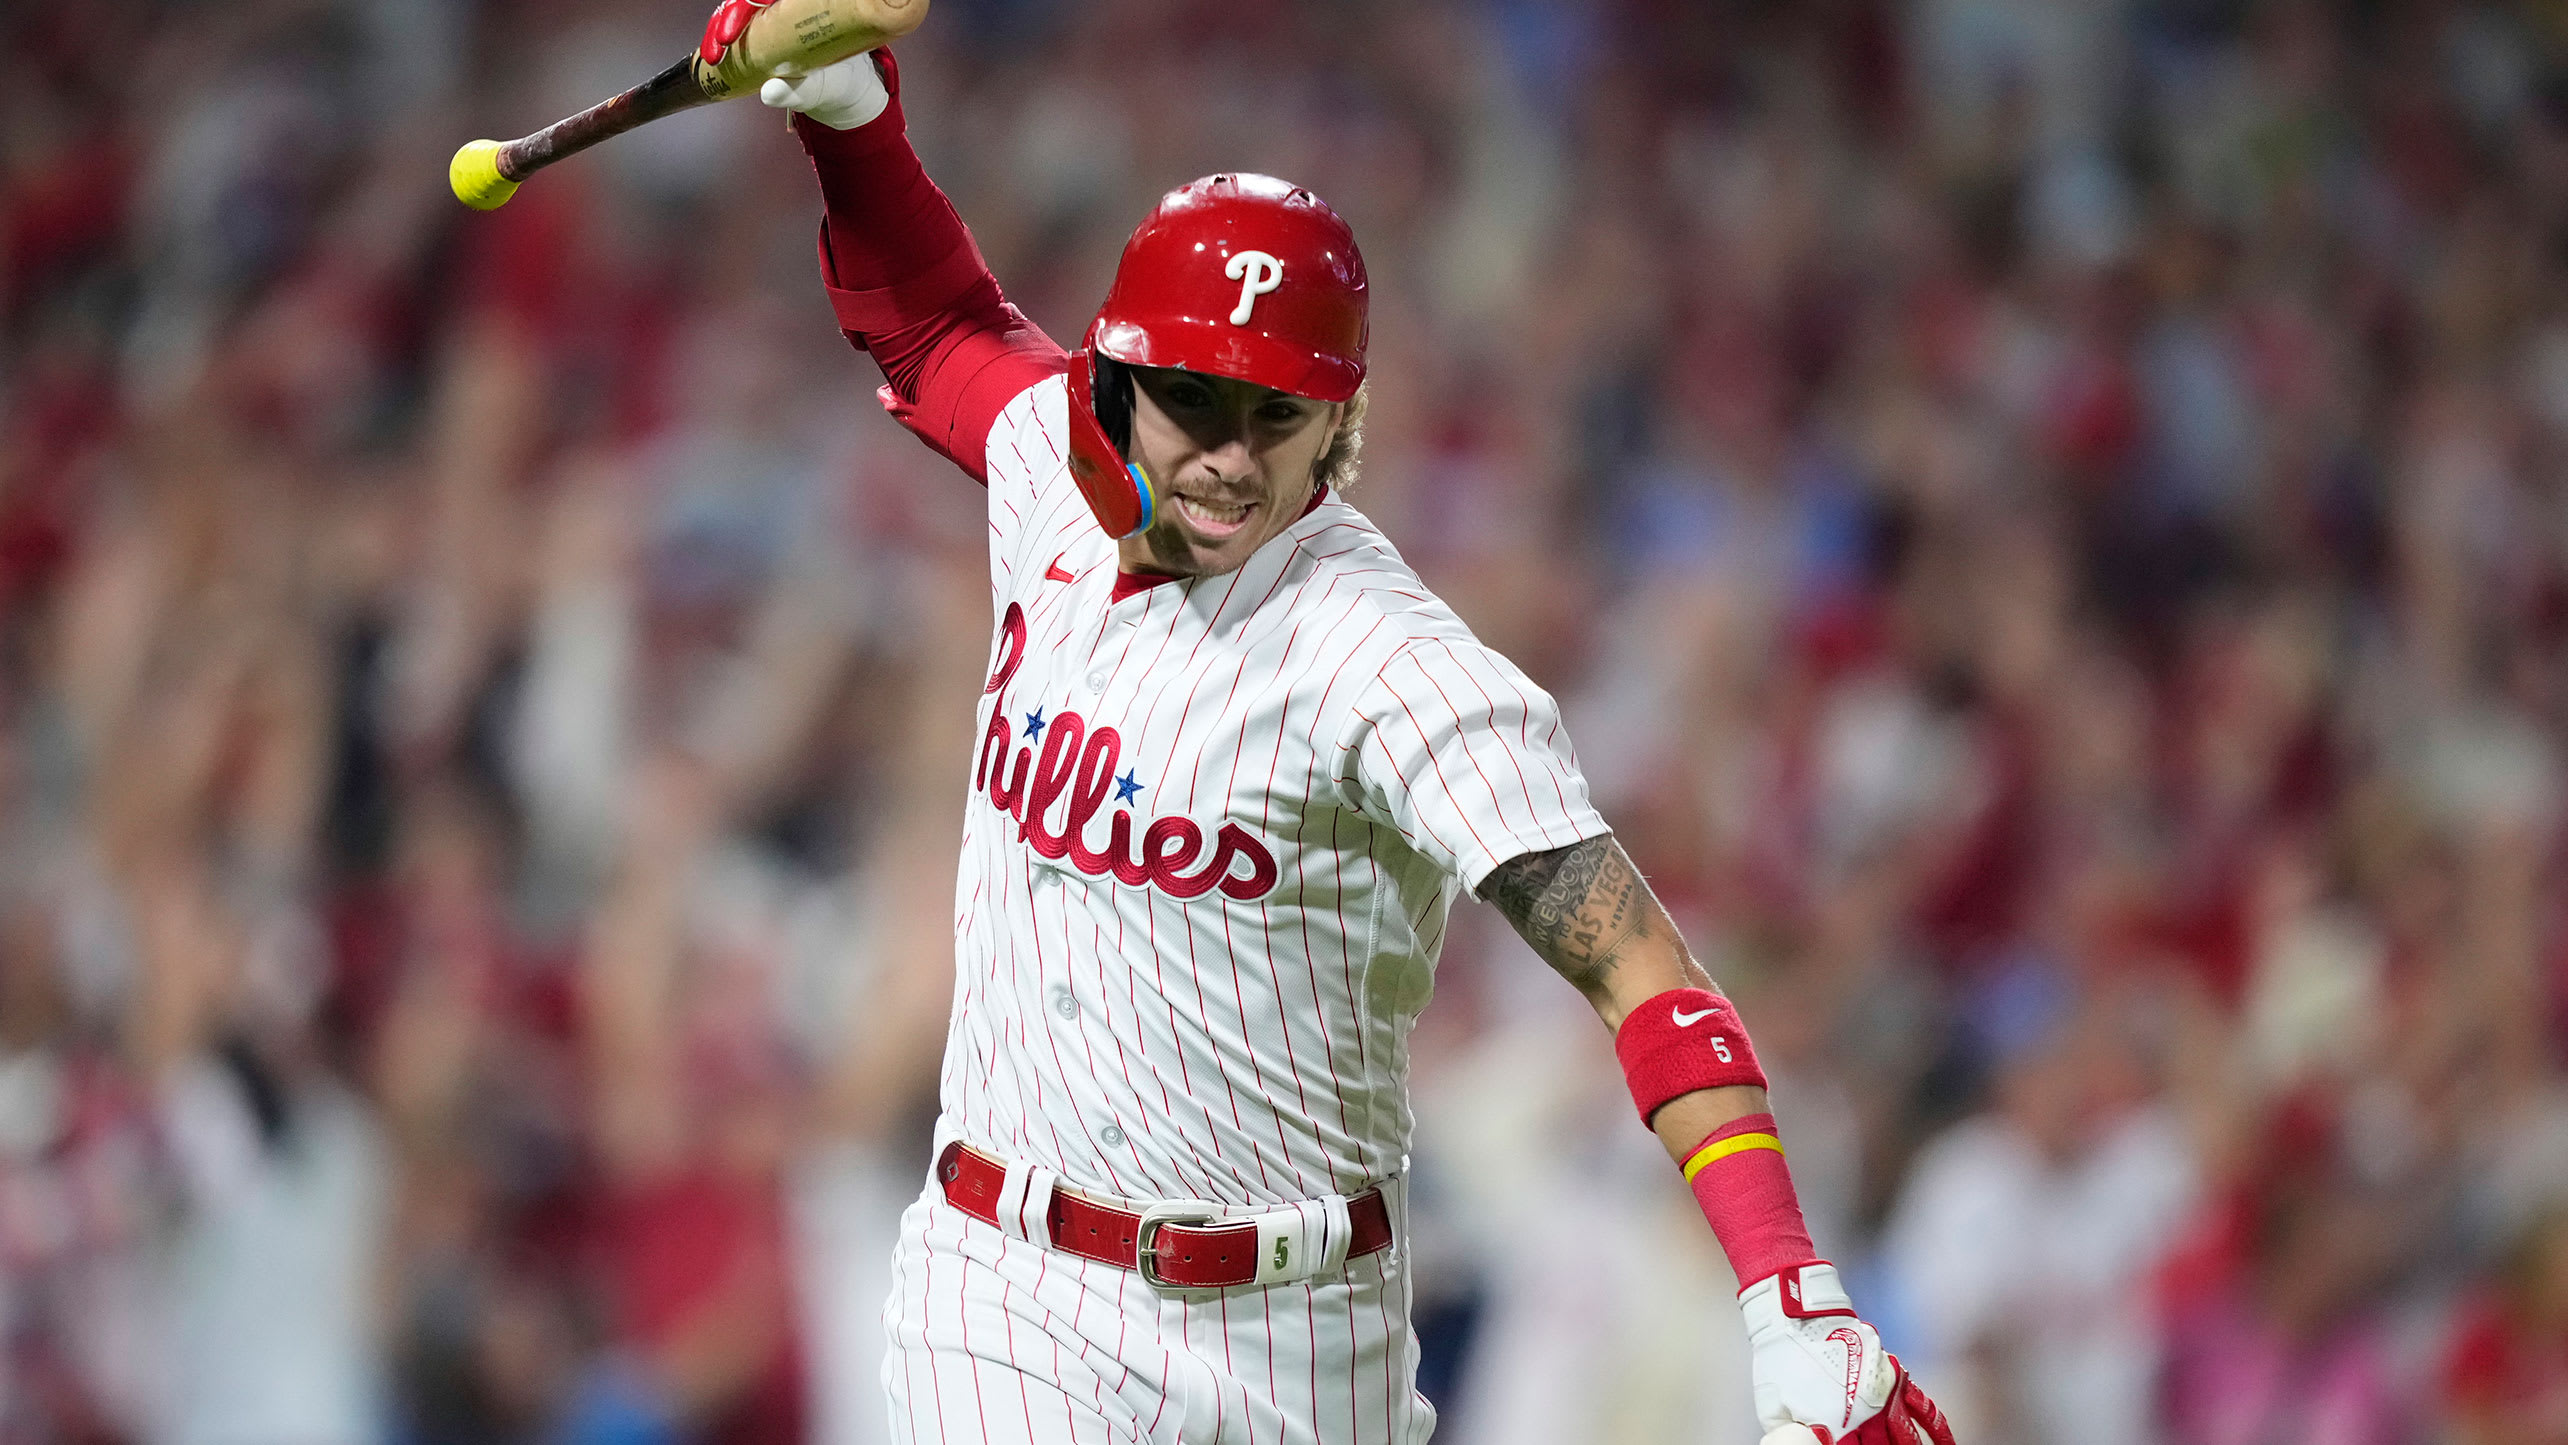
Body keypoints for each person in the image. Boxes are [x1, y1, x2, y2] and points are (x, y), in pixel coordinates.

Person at [711, 7, 1958, 1441]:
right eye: (1191, 402)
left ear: (1339, 420)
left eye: (1277, 415)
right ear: (1115, 379)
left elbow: (1640, 968)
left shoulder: (1394, 664)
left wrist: (1787, 1286)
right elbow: (935, 319)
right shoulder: (1057, 471)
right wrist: (848, 120)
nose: (1230, 458)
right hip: (1006, 1290)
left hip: (1301, 1336)